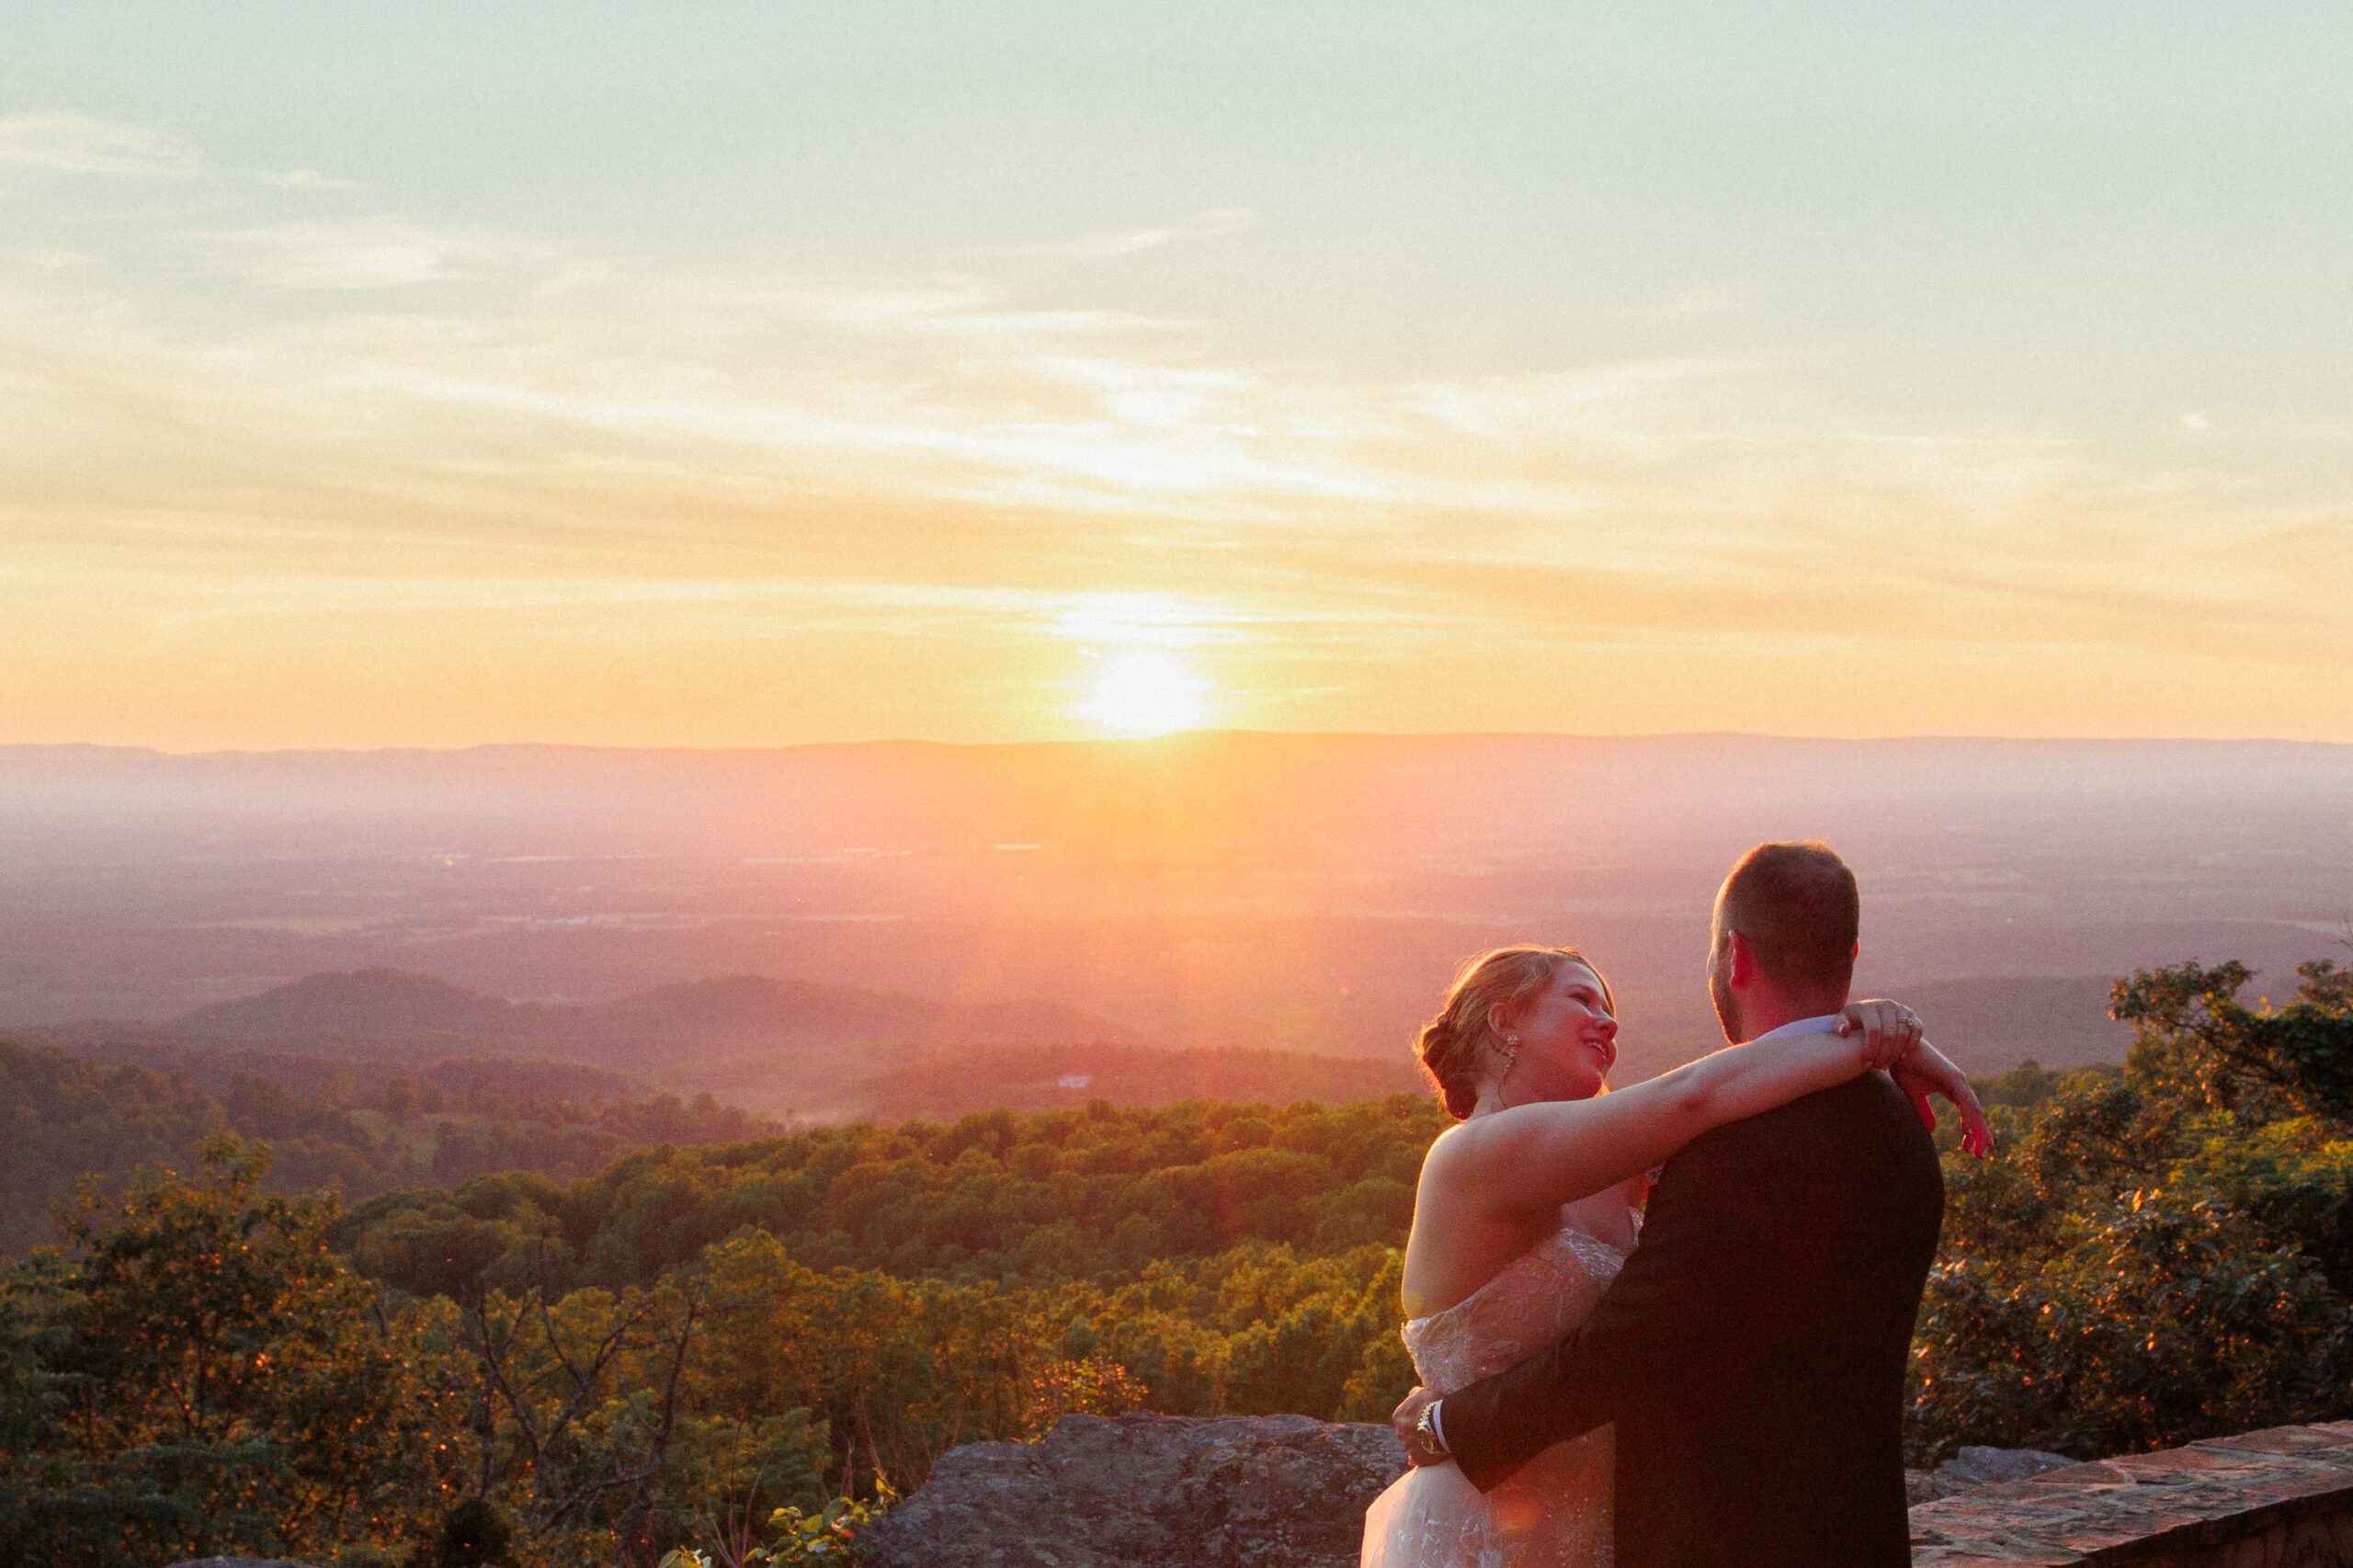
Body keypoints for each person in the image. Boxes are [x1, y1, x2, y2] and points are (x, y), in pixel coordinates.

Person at [1369, 841, 1986, 1568]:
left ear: (1735, 958)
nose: (1611, 1023)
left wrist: (1876, 1030)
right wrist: (1867, 1034)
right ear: (1505, 1020)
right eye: (1582, 999)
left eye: (1611, 1005)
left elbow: (1638, 1337)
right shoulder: (1475, 1156)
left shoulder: (1645, 1162)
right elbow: (1693, 1095)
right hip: (1496, 1518)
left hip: (1627, 1522)